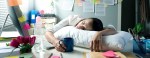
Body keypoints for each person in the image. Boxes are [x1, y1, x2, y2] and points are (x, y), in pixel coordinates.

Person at [45, 15, 117, 52]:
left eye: (83, 28)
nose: (79, 27)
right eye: (83, 23)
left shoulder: (95, 28)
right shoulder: (72, 18)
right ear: (83, 19)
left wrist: (99, 33)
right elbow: (48, 32)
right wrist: (55, 42)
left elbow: (113, 30)